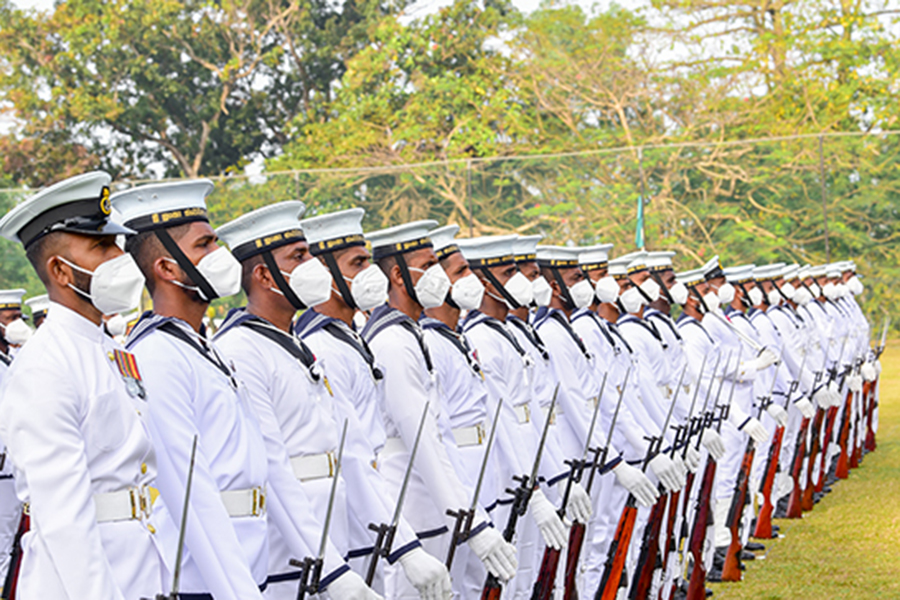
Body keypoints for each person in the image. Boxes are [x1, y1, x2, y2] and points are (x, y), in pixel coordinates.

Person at [113, 181, 375, 600]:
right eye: (205, 245)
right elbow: (188, 492)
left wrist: (330, 569)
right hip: (204, 578)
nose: (220, 256)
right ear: (167, 268)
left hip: (248, 559)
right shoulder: (158, 354)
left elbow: (265, 459)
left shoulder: (199, 348)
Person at [215, 202, 449, 600]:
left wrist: (405, 546)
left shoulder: (298, 346)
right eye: (299, 256)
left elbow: (352, 450)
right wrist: (326, 566)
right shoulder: (239, 348)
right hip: (289, 558)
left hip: (338, 536)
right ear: (263, 275)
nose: (313, 267)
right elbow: (272, 464)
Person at [0, 171, 162, 599]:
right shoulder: (45, 365)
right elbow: (64, 519)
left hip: (140, 567)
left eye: (117, 243)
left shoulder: (110, 349)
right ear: (60, 270)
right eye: (101, 246)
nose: (119, 256)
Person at [362, 220, 517, 600]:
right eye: (430, 266)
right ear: (398, 276)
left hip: (439, 511)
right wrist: (472, 522)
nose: (439, 276)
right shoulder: (394, 343)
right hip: (416, 512)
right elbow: (423, 440)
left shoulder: (411, 335)